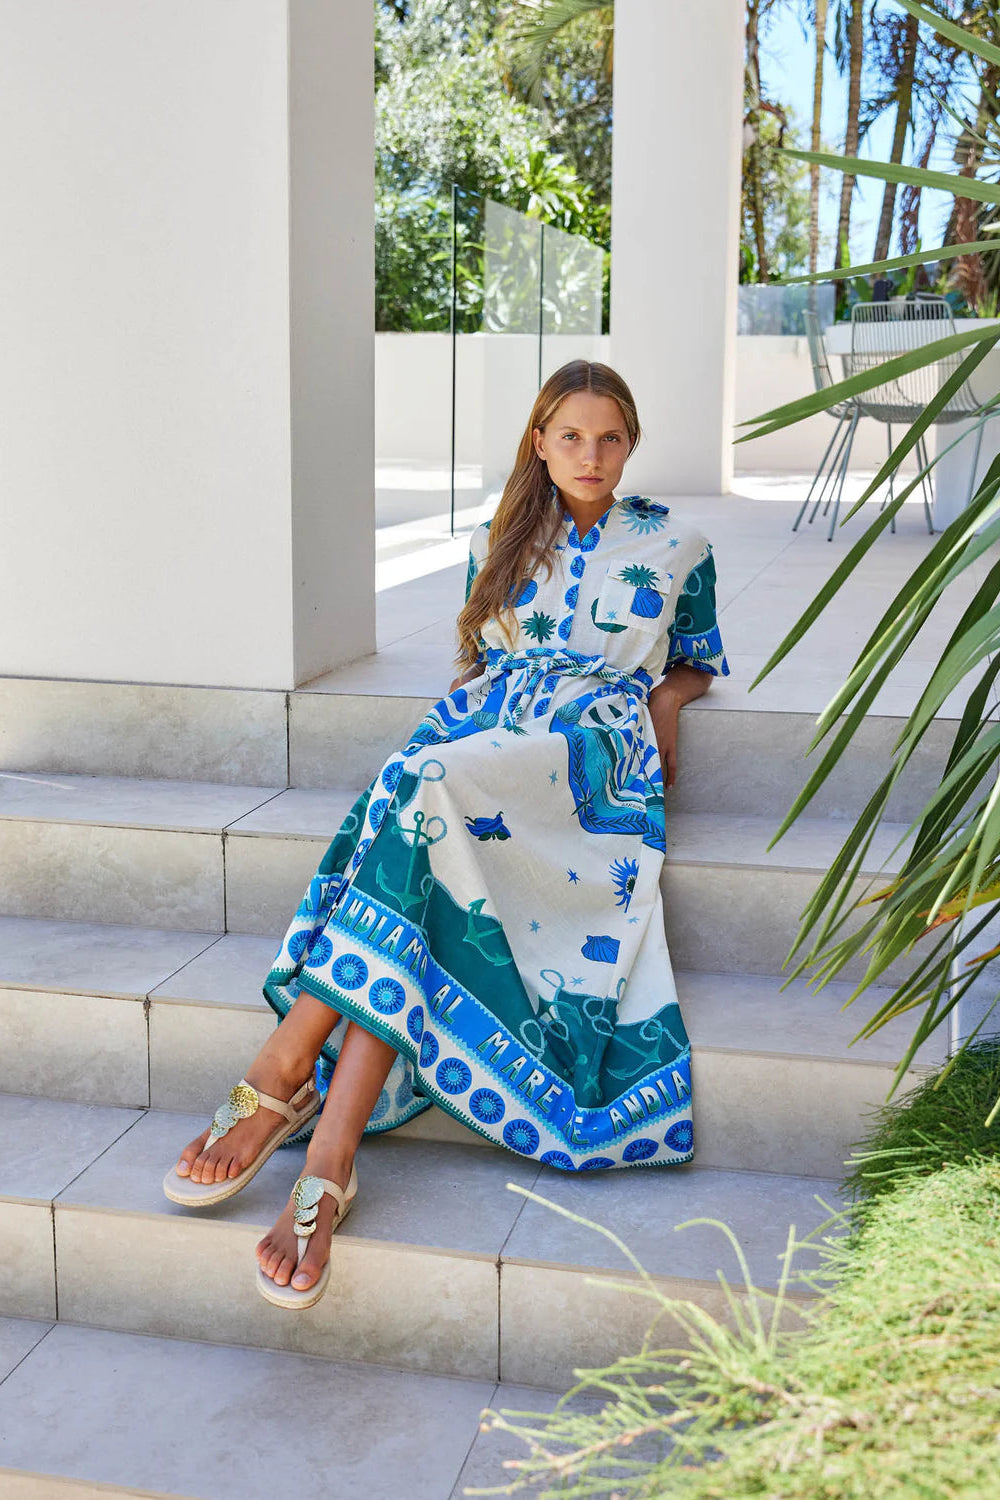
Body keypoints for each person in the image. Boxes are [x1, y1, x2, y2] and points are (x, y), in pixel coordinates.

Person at [162, 360, 729, 1310]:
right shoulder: (494, 540)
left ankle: (285, 1070)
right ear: (539, 443)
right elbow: (474, 664)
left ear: (631, 443)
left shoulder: (678, 542)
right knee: (421, 795)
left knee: (421, 789)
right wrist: (463, 735)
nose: (591, 455)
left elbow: (699, 658)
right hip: (484, 732)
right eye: (570, 436)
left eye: (609, 437)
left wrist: (666, 700)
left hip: (592, 750)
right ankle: (330, 1154)